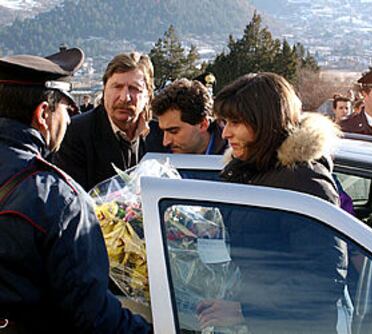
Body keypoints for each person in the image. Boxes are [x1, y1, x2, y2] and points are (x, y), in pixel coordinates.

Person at [0, 49, 151, 333]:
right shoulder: (58, 200)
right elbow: (92, 315)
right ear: (44, 114)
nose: (69, 120)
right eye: (65, 110)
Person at [196, 72, 347, 333]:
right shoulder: (252, 171)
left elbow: (323, 280)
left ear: (264, 123)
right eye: (224, 122)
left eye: (235, 122)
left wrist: (245, 309)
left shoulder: (303, 181)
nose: (226, 132)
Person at [53, 52, 163, 191]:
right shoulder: (76, 133)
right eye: (117, 87)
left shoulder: (162, 134)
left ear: (148, 95)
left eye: (135, 89)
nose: (125, 98)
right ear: (104, 90)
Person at [151, 78, 227, 154]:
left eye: (174, 131)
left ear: (203, 125)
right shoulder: (153, 150)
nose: (166, 142)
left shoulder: (234, 155)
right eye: (163, 131)